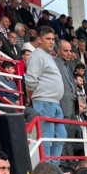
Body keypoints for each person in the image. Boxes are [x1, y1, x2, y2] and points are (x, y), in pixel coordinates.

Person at [25, 27, 66, 166]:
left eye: (53, 39)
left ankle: (54, 165)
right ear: (39, 40)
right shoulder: (37, 55)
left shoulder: (47, 56)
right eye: (48, 39)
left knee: (61, 135)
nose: (51, 42)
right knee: (47, 136)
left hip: (54, 102)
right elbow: (30, 80)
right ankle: (47, 167)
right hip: (44, 101)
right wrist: (30, 97)